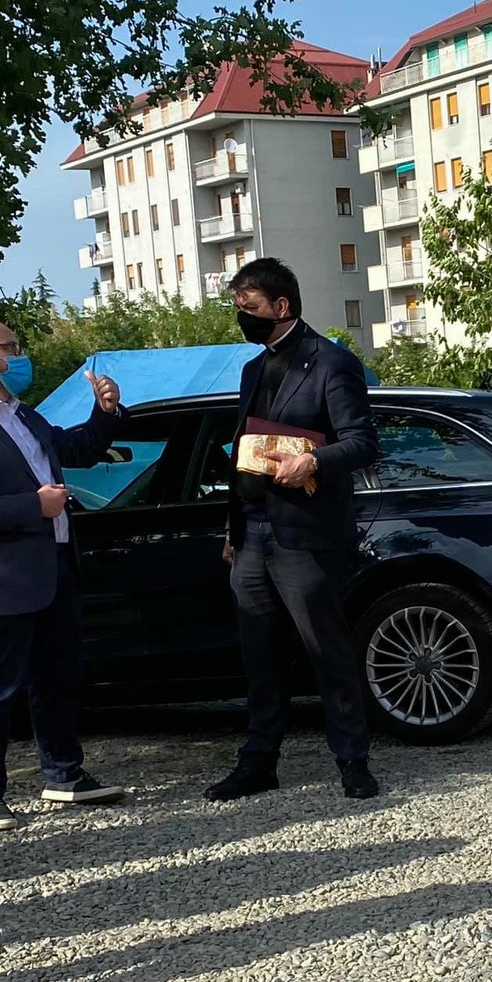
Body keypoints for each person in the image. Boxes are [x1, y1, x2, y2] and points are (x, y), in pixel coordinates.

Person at [0, 320, 129, 832]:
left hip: (54, 565)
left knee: (56, 678)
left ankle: (63, 773)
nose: (18, 357)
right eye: (8, 349)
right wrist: (31, 507)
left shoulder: (24, 415)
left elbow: (73, 451)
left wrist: (104, 415)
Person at [206, 258, 381, 803]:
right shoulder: (252, 370)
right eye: (238, 309)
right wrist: (233, 527)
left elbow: (363, 442)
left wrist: (314, 463)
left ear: (281, 307)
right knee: (259, 656)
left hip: (306, 532)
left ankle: (353, 762)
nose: (243, 319)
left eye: (250, 309)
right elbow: (244, 454)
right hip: (253, 530)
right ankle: (259, 762)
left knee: (326, 651)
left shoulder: (332, 363)